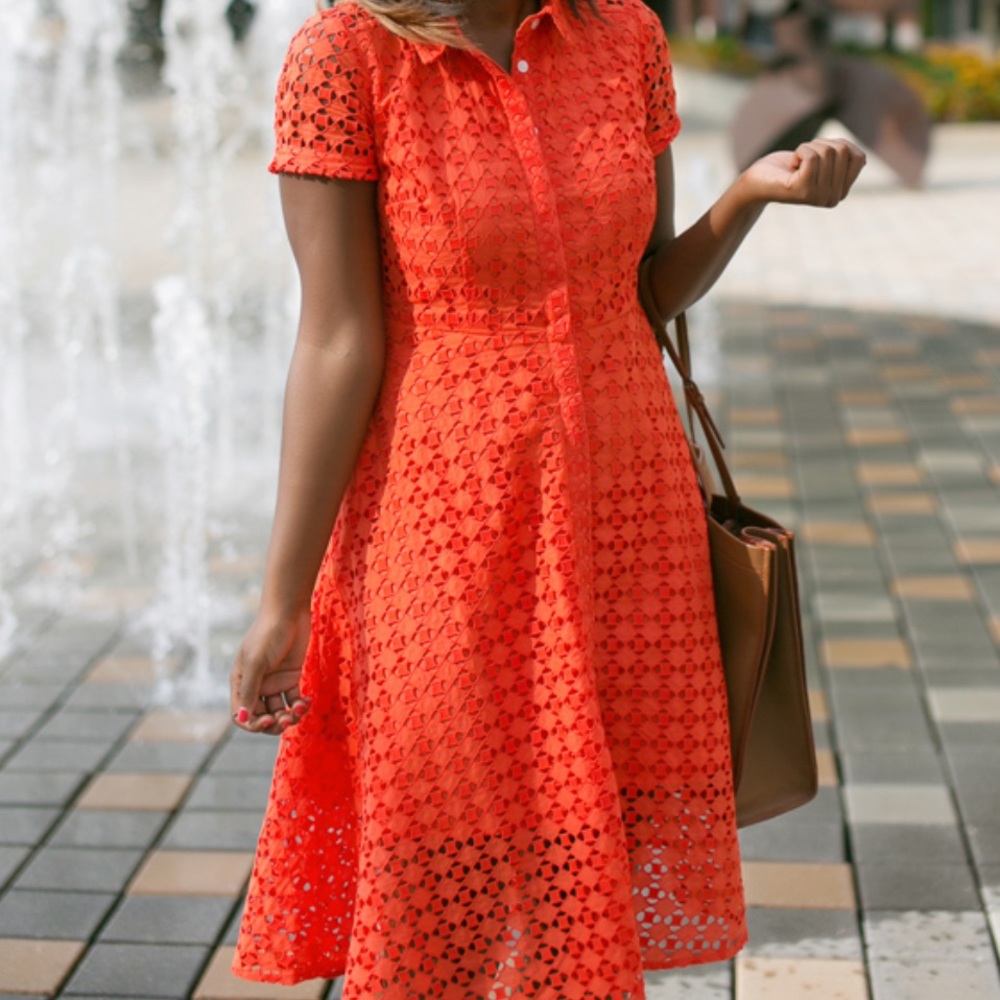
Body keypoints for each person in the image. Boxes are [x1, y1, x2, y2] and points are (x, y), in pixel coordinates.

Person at [228, 0, 865, 996]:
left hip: (627, 518)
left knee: (580, 883)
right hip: (442, 519)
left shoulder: (624, 35)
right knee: (441, 884)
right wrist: (283, 597)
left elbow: (643, 290)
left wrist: (748, 194)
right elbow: (338, 338)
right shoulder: (346, 55)